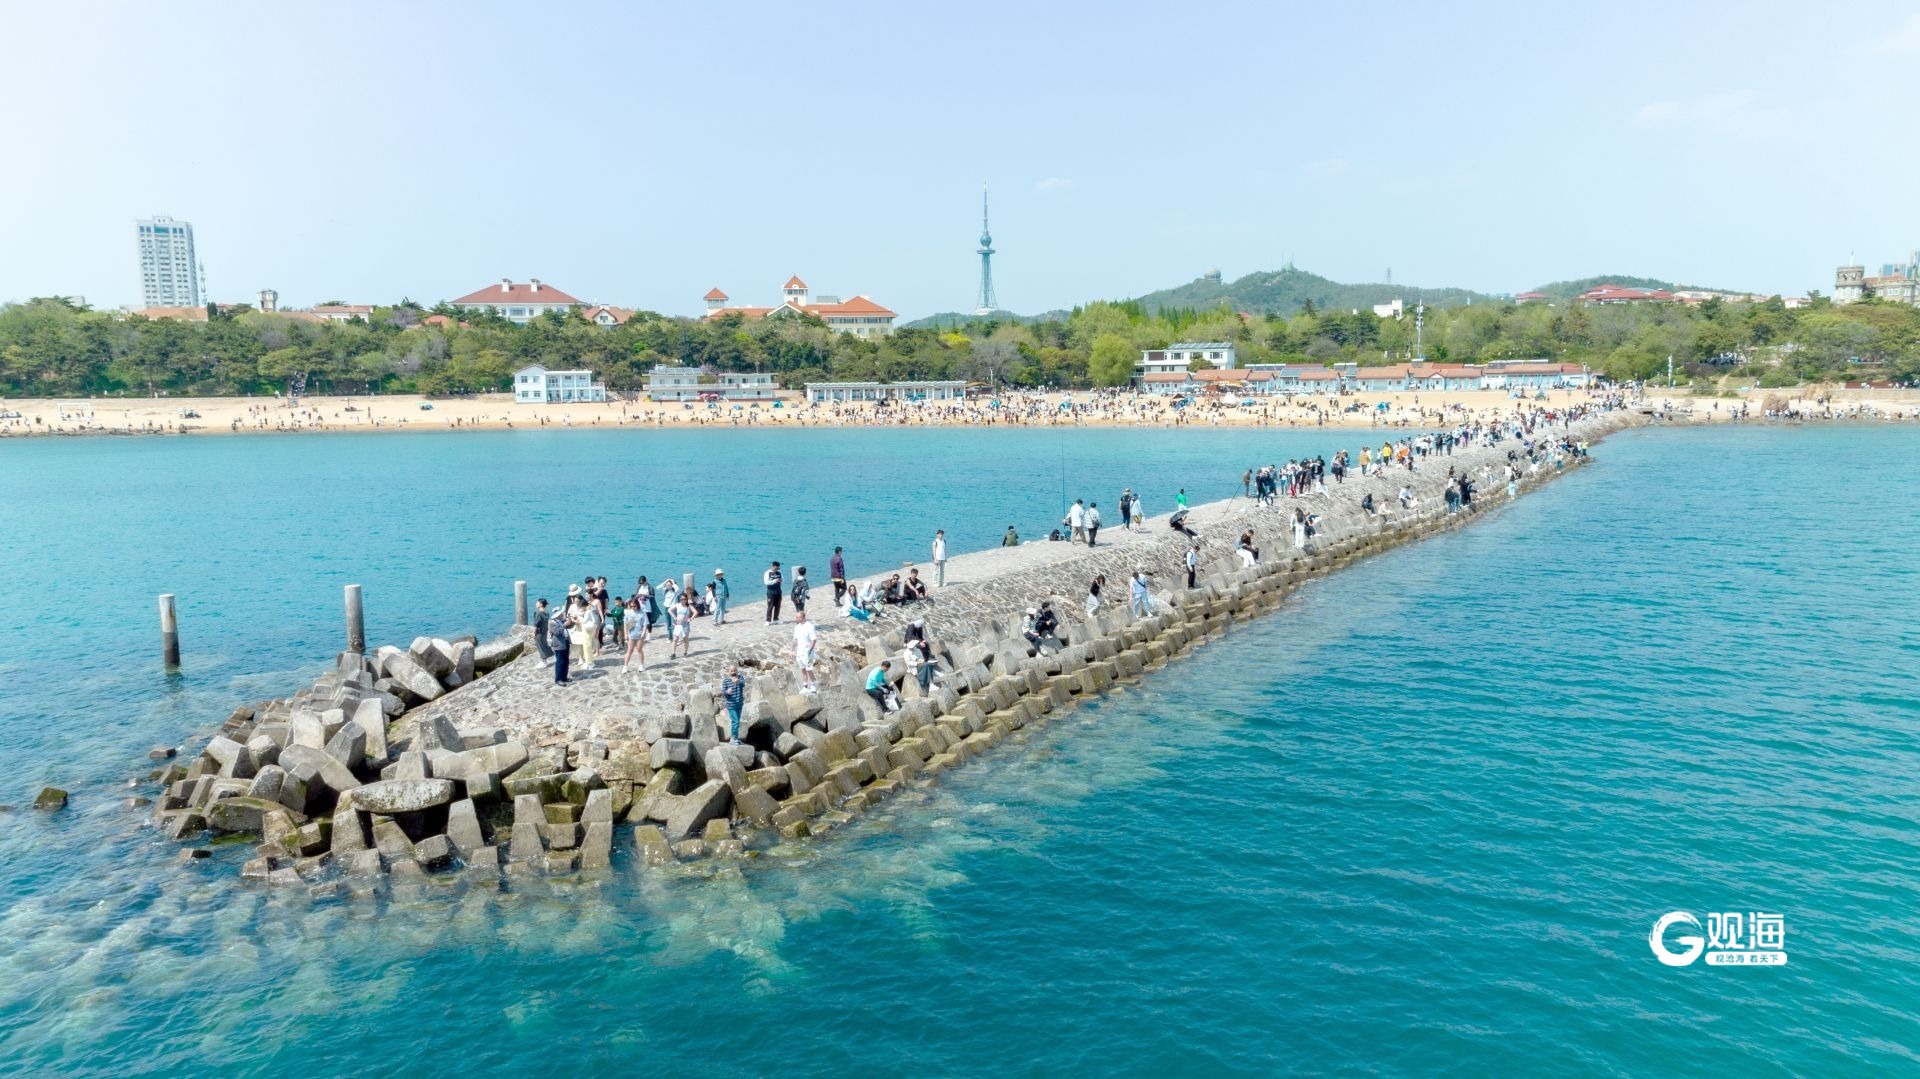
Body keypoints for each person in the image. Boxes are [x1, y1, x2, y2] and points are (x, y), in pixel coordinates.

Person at [547, 601, 573, 685]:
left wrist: (569, 621)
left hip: (565, 642)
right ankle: (558, 679)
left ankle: (564, 677)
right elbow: (557, 632)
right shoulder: (552, 623)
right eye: (561, 614)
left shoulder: (561, 621)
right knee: (560, 661)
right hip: (558, 644)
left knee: (566, 660)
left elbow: (569, 626)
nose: (562, 615)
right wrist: (564, 625)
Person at [792, 610, 818, 693]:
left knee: (809, 669)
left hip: (809, 654)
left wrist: (810, 650)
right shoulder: (797, 627)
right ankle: (805, 686)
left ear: (802, 617)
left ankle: (813, 685)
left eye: (798, 617)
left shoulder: (810, 626)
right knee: (803, 669)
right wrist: (791, 650)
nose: (796, 619)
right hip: (800, 653)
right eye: (796, 617)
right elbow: (795, 640)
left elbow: (813, 640)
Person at [720, 664, 746, 745]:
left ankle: (736, 738)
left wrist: (737, 681)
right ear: (728, 672)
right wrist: (727, 692)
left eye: (735, 670)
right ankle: (733, 739)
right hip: (731, 705)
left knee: (737, 722)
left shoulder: (740, 677)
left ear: (737, 671)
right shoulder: (726, 681)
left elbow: (743, 684)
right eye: (731, 671)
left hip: (739, 704)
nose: (733, 672)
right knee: (735, 721)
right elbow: (723, 692)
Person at [621, 596, 647, 670]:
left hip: (640, 634)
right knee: (630, 650)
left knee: (639, 649)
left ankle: (641, 665)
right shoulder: (628, 613)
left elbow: (645, 623)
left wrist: (643, 632)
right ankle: (625, 666)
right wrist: (626, 634)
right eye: (631, 606)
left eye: (634, 606)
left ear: (637, 605)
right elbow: (626, 625)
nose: (633, 608)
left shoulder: (642, 612)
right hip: (631, 634)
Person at [669, 592, 694, 658]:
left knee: (685, 639)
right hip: (678, 625)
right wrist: (674, 617)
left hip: (685, 625)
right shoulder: (677, 605)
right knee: (675, 639)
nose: (683, 600)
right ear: (679, 600)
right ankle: (673, 653)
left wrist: (690, 619)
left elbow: (695, 612)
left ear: (686, 599)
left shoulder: (689, 606)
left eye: (684, 599)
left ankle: (685, 652)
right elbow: (669, 610)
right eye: (681, 599)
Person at [532, 598, 553, 666]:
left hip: (539, 633)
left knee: (540, 646)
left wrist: (533, 633)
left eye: (537, 602)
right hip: (544, 632)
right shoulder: (546, 612)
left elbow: (536, 624)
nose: (536, 604)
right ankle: (545, 660)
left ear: (541, 604)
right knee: (544, 645)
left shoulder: (538, 613)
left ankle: (543, 661)